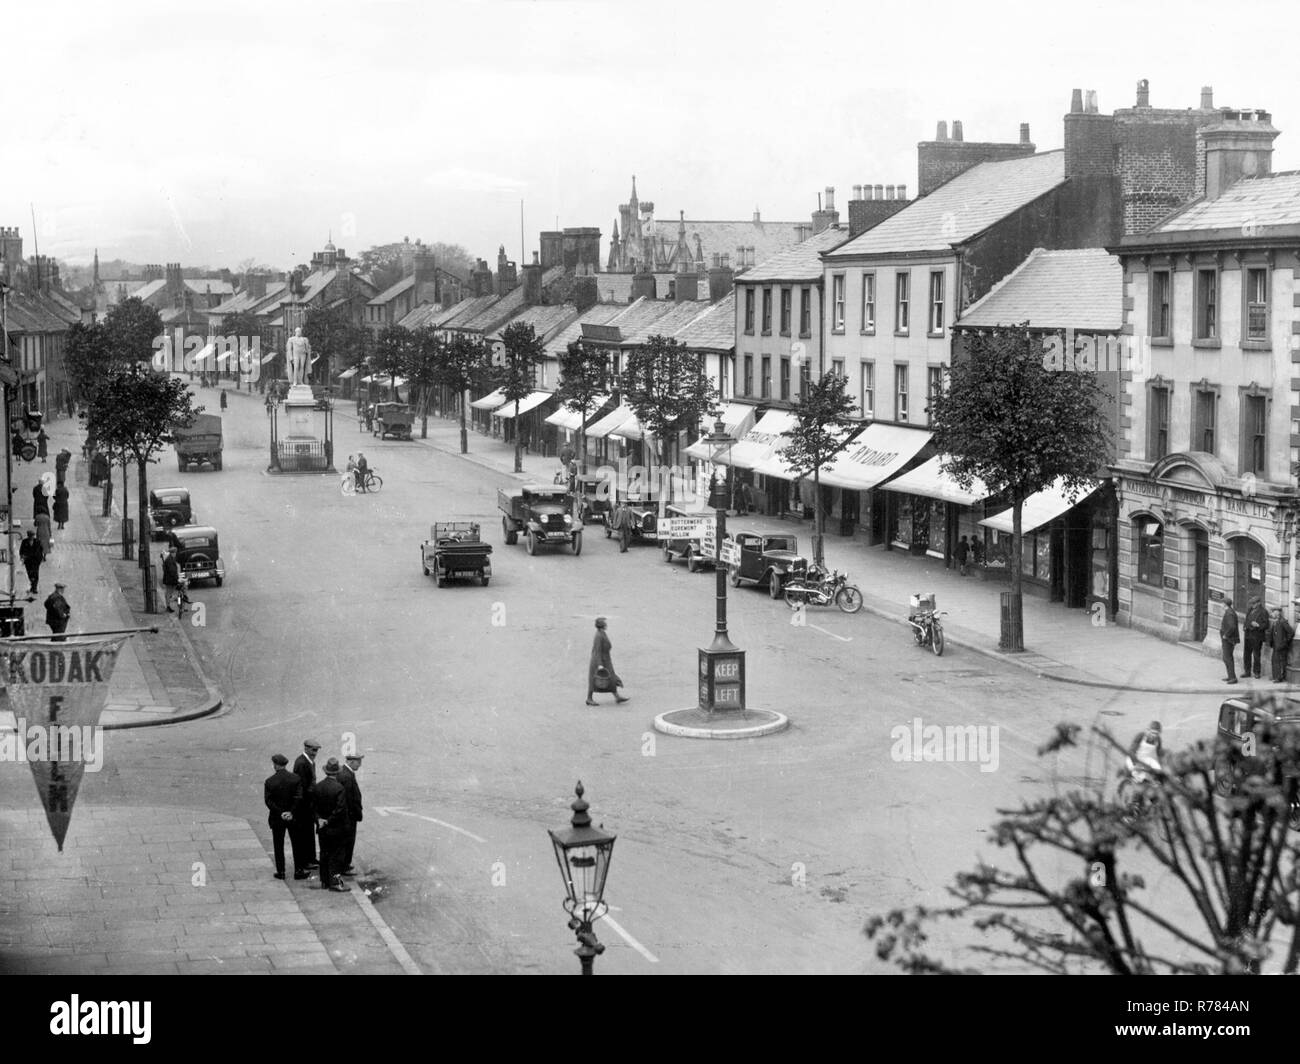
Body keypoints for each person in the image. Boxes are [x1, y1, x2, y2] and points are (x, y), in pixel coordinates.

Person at [264, 753, 308, 880]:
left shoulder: (270, 781)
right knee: (297, 843)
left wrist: (280, 812)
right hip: (293, 817)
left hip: (277, 818)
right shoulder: (295, 778)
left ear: (276, 765)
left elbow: (268, 801)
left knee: (278, 844)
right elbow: (299, 798)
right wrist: (291, 812)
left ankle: (281, 871)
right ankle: (298, 870)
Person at [312, 758, 351, 892]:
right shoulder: (339, 788)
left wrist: (319, 819)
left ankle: (324, 881)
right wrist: (329, 820)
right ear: (337, 772)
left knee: (324, 853)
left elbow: (313, 807)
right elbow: (340, 810)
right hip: (336, 828)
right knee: (336, 856)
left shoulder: (318, 786)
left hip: (322, 828)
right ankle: (335, 882)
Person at [586, 616, 629, 706]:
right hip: (600, 660)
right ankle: (589, 699)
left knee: (611, 678)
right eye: (605, 623)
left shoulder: (602, 633)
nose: (606, 625)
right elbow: (597, 650)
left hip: (605, 659)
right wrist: (600, 664)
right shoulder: (598, 636)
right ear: (602, 625)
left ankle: (617, 697)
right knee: (594, 680)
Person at [293, 739, 322, 869]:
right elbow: (302, 787)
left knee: (309, 832)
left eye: (316, 750)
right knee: (305, 833)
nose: (314, 753)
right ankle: (306, 861)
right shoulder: (301, 763)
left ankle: (311, 858)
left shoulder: (309, 762)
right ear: (306, 748)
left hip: (309, 804)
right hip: (304, 805)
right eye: (312, 750)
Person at [337, 753, 364, 876]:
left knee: (346, 841)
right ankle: (343, 866)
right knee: (347, 841)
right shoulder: (347, 776)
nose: (360, 764)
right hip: (348, 816)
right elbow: (348, 798)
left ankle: (344, 864)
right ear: (351, 762)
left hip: (347, 815)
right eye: (358, 762)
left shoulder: (345, 773)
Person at [1244, 597, 1269, 679]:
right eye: (1252, 603)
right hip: (1248, 635)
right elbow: (1246, 619)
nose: (1252, 605)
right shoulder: (1250, 610)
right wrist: (1244, 626)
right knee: (1246, 654)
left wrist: (1258, 625)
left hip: (1257, 636)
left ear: (1258, 603)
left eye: (1254, 603)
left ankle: (1257, 672)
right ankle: (1247, 672)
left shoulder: (1263, 611)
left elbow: (1266, 625)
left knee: (1256, 655)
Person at [1269, 607, 1294, 683]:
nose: (1271, 614)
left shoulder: (1283, 622)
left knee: (1279, 661)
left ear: (1277, 612)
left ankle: (1279, 677)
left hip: (1281, 645)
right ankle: (1275, 676)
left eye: (1272, 612)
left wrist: (1285, 642)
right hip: (1276, 645)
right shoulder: (1276, 621)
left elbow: (1291, 632)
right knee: (1274, 661)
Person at [1221, 598, 1240, 684]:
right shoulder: (1229, 612)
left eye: (1222, 603)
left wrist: (1226, 635)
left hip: (1229, 639)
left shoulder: (1229, 613)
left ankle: (1233, 678)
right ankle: (1230, 676)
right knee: (1226, 658)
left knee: (1227, 658)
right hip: (1229, 639)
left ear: (1225, 604)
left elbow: (1232, 627)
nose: (1221, 604)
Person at [19, 530, 43, 595]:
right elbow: (21, 550)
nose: (32, 537)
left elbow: (40, 550)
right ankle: (32, 586)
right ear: (28, 536)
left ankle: (34, 588)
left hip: (35, 561)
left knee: (35, 574)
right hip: (28, 561)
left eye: (33, 536)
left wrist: (40, 559)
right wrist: (22, 557)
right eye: (30, 536)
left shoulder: (37, 541)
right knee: (30, 574)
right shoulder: (24, 542)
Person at [162, 546, 181, 613]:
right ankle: (168, 606)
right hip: (170, 579)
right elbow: (172, 571)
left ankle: (171, 605)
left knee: (169, 592)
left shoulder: (170, 558)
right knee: (169, 593)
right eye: (175, 552)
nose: (175, 554)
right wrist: (177, 579)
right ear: (173, 553)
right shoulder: (170, 560)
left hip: (169, 578)